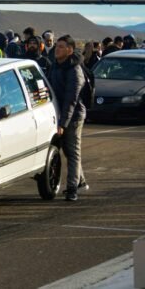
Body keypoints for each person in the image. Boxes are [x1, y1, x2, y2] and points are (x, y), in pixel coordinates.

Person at [49, 34, 89, 202]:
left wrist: (63, 123)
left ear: (70, 50)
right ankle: (80, 180)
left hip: (73, 115)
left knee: (72, 151)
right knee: (67, 149)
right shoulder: (54, 66)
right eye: (56, 46)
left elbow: (70, 100)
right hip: (59, 114)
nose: (57, 49)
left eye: (61, 47)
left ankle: (72, 189)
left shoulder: (74, 70)